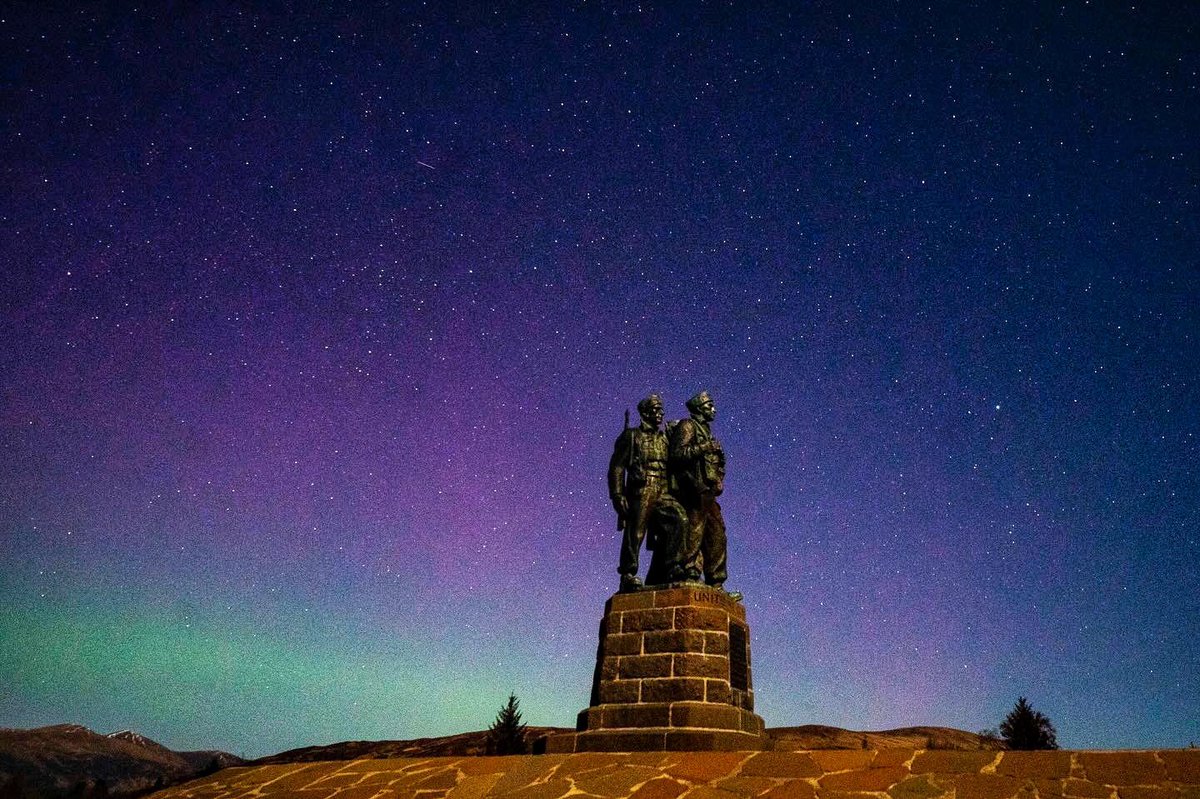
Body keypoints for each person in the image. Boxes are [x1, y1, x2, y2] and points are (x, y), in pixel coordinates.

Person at [669, 390, 733, 594]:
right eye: (709, 406)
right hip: (692, 489)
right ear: (699, 409)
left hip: (709, 490)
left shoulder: (708, 433)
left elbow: (719, 462)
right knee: (695, 528)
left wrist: (719, 479)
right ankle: (689, 570)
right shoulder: (687, 426)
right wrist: (704, 447)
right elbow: (678, 455)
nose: (713, 410)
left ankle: (716, 580)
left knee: (717, 533)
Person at [607, 394, 670, 592]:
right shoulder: (632, 436)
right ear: (644, 413)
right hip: (641, 489)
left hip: (664, 488)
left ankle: (665, 571)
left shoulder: (665, 438)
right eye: (655, 409)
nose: (660, 413)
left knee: (679, 522)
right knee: (636, 532)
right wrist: (617, 495)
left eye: (661, 409)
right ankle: (628, 574)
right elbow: (617, 467)